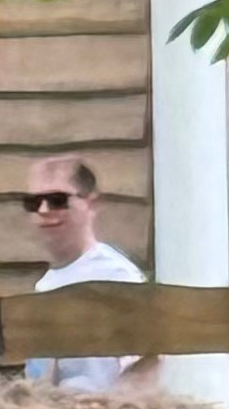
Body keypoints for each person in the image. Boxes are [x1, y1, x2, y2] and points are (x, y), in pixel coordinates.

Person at [21, 154, 150, 389]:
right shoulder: (46, 284)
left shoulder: (115, 277)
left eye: (57, 200)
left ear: (92, 204)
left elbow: (149, 364)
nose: (43, 210)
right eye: (33, 202)